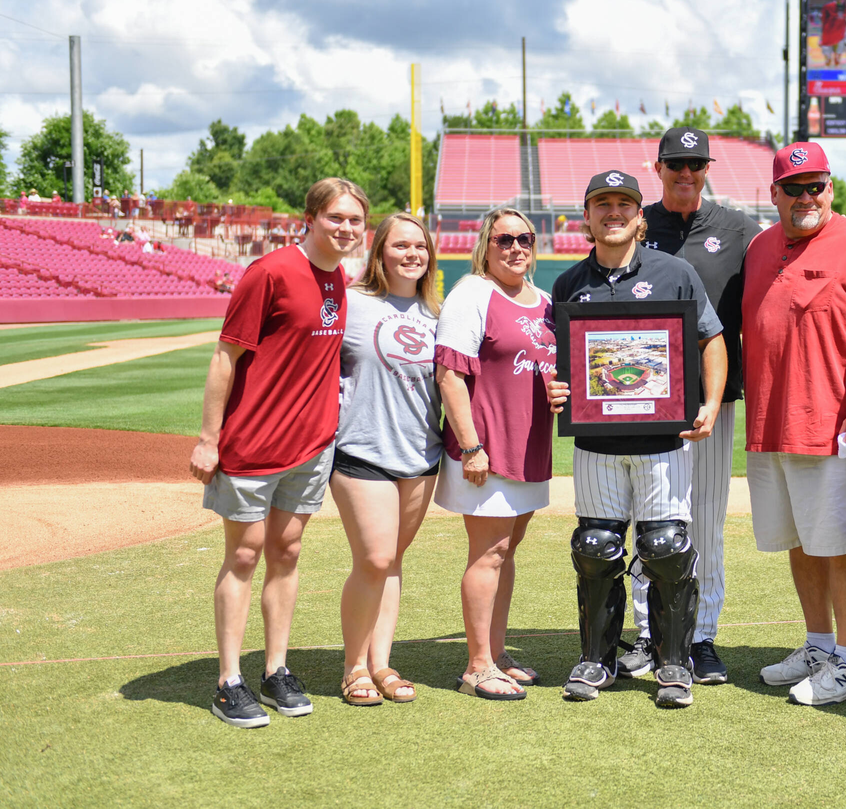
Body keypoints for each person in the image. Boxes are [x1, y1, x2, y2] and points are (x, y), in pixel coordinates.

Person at [191, 177, 368, 728]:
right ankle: (228, 680)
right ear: (310, 218)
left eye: (355, 221)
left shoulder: (340, 278)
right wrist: (208, 438)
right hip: (252, 444)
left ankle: (276, 670)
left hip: (310, 446)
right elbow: (225, 358)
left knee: (287, 552)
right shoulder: (269, 272)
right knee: (243, 556)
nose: (345, 228)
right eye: (335, 218)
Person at [741, 142, 846, 706]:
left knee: (839, 546)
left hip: (834, 426)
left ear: (830, 188)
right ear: (775, 195)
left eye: (816, 186)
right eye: (794, 188)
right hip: (770, 424)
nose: (806, 197)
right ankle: (818, 646)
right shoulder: (761, 246)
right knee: (800, 543)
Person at [552, 170, 726, 708]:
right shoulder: (568, 283)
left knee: (667, 549)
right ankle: (597, 660)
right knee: (596, 547)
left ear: (638, 214)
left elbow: (711, 339)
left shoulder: (674, 272)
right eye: (601, 204)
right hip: (596, 446)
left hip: (662, 442)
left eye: (623, 204)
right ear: (586, 216)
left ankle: (674, 664)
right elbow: (559, 366)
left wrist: (712, 403)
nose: (613, 213)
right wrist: (557, 390)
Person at [618, 127, 760, 685]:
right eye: (676, 163)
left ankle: (700, 636)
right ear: (658, 167)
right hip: (642, 398)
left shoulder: (738, 230)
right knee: (648, 519)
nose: (686, 172)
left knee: (705, 521)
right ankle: (651, 633)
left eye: (695, 163)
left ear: (706, 167)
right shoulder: (636, 225)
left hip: (711, 399)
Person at [435, 207, 568, 701]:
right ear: (485, 247)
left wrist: (562, 391)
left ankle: (495, 650)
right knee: (489, 552)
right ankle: (476, 666)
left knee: (507, 551)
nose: (516, 247)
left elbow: (551, 366)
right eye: (504, 239)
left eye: (524, 238)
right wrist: (471, 446)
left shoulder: (545, 300)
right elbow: (449, 373)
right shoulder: (473, 292)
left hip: (529, 444)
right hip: (487, 445)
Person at [330, 213, 443, 706]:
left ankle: (381, 662)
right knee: (374, 557)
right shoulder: (353, 303)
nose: (412, 254)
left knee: (392, 561)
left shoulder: (438, 314)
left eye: (420, 246)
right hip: (361, 449)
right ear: (380, 253)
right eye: (401, 246)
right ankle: (354, 667)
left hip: (421, 454)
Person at [819, 0, 846, 68]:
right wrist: (821, 38)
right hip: (828, 37)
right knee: (828, 61)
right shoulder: (827, 7)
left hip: (840, 37)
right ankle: (826, 79)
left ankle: (836, 78)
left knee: (837, 61)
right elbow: (823, 22)